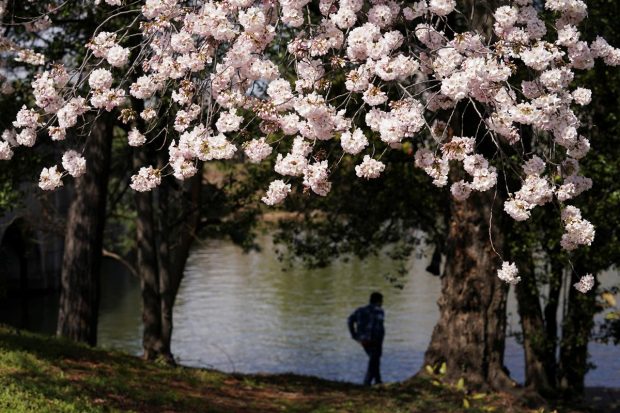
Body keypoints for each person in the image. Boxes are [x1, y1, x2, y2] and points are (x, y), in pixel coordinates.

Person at [348, 292, 385, 386]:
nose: (382, 303)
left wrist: (354, 334)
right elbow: (378, 327)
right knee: (373, 361)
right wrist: (379, 341)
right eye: (381, 301)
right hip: (374, 340)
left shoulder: (360, 310)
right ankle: (367, 383)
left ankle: (378, 380)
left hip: (363, 340)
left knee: (374, 360)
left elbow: (350, 320)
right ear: (378, 301)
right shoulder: (379, 311)